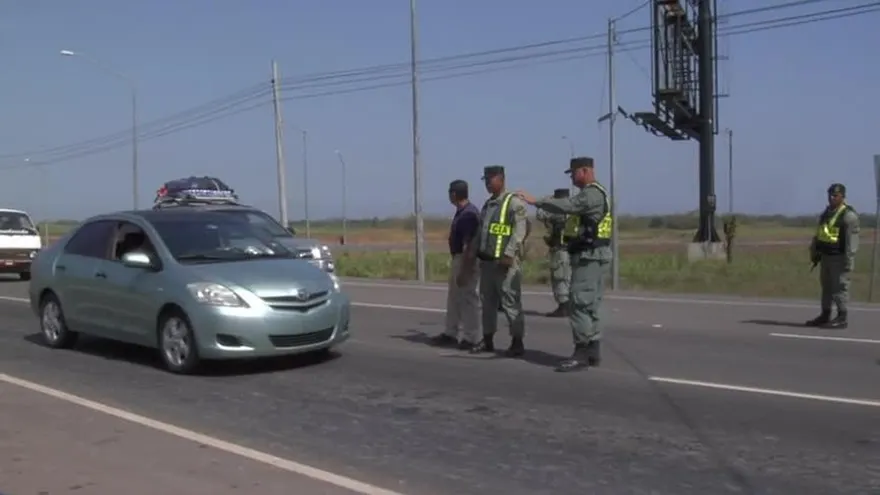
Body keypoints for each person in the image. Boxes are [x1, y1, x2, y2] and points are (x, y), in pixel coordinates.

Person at [516, 156, 612, 372]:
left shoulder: (592, 194)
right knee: (590, 304)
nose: (572, 178)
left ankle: (581, 352)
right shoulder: (597, 192)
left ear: (585, 171)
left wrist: (536, 201)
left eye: (574, 173)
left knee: (577, 303)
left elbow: (568, 205)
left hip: (590, 256)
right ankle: (593, 351)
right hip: (592, 255)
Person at [472, 165, 528, 357]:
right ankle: (487, 340)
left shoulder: (513, 203)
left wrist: (509, 254)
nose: (488, 183)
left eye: (491, 179)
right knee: (487, 303)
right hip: (487, 263)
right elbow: (482, 233)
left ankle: (517, 341)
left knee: (511, 302)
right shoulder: (488, 205)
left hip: (505, 264)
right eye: (486, 180)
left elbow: (519, 231)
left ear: (502, 179)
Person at [431, 180, 482, 349]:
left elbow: (469, 244)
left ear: (454, 194)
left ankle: (471, 336)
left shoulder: (468, 214)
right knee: (454, 298)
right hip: (458, 258)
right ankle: (451, 332)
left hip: (465, 258)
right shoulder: (462, 212)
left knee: (468, 298)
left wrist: (465, 269)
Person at [806, 183, 859, 329]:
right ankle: (825, 315)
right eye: (830, 195)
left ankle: (842, 317)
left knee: (840, 287)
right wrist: (814, 252)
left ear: (842, 196)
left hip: (840, 257)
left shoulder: (848, 216)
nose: (831, 198)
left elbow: (851, 242)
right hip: (826, 257)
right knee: (827, 287)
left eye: (835, 195)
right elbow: (819, 234)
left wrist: (848, 260)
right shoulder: (827, 213)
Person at [536, 188, 572, 317]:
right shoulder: (573, 206)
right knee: (568, 277)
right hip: (571, 248)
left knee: (559, 277)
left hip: (560, 249)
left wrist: (547, 200)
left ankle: (564, 306)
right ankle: (569, 305)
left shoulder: (557, 209)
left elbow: (540, 214)